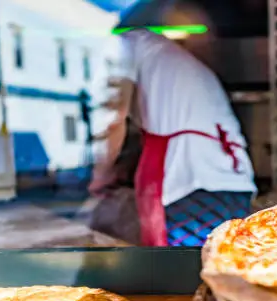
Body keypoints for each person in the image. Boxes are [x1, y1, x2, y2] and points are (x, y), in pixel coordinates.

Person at [90, 27, 257, 247]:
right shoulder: (164, 54)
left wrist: (97, 178)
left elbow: (112, 118)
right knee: (221, 266)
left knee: (181, 273)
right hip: (234, 186)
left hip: (190, 185)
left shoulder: (124, 43)